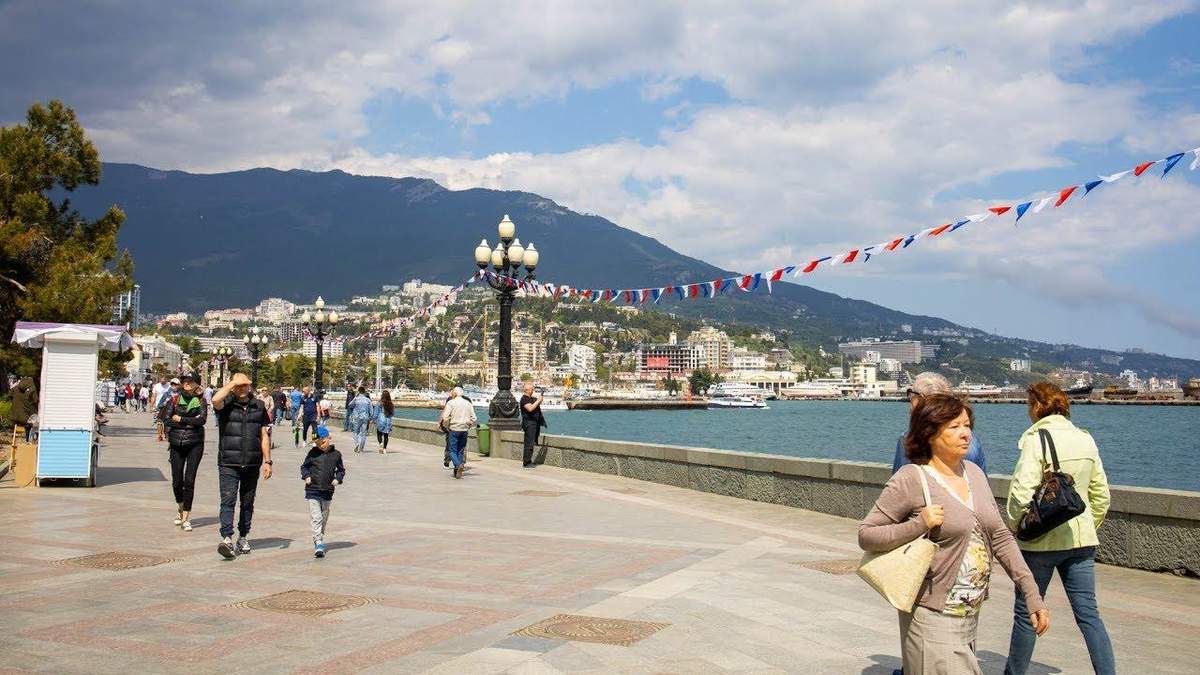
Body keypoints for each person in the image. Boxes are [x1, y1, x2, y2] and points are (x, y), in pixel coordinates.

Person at [859, 394, 1049, 674]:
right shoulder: (911, 478)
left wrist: (1031, 593)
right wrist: (919, 524)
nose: (965, 433)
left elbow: (1000, 536)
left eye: (967, 425)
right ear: (929, 433)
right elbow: (867, 535)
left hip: (969, 613)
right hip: (930, 615)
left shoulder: (974, 474)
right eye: (954, 427)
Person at [1004, 382, 1114, 675]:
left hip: (1040, 543)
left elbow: (1021, 493)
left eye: (1029, 405)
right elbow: (1101, 495)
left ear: (1037, 406)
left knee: (1027, 612)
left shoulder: (1036, 439)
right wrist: (1088, 526)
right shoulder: (1085, 439)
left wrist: (1017, 526)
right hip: (1081, 542)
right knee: (1089, 615)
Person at [212, 372, 273, 560]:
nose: (242, 388)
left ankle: (243, 536)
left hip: (252, 462)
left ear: (249, 386)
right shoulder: (226, 404)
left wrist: (268, 461)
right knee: (228, 500)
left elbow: (264, 435)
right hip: (228, 462)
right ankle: (226, 538)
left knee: (247, 502)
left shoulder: (259, 406)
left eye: (244, 385)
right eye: (238, 385)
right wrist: (231, 384)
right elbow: (215, 400)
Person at [893, 372, 987, 475]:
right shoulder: (972, 442)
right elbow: (981, 480)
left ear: (921, 400)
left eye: (912, 395)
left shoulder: (908, 440)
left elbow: (899, 477)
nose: (910, 403)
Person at [164, 372, 207, 532]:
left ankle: (186, 517)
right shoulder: (174, 399)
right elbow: (167, 420)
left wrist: (181, 419)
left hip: (195, 444)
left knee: (189, 480)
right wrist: (190, 423)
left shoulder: (201, 401)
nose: (187, 383)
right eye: (184, 381)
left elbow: (201, 420)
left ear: (196, 384)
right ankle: (180, 506)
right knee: (177, 481)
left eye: (190, 381)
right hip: (176, 444)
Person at [301, 426, 346, 558]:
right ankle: (318, 542)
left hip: (327, 490)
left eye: (323, 442)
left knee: (324, 515)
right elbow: (304, 467)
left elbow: (341, 470)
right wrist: (306, 476)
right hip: (312, 490)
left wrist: (338, 479)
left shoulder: (336, 455)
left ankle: (320, 535)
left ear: (329, 438)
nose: (321, 445)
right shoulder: (312, 453)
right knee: (317, 517)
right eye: (318, 443)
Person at [439, 386, 476, 479]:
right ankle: (457, 471)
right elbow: (474, 418)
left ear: (454, 393)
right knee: (460, 450)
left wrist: (447, 424)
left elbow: (445, 417)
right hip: (464, 430)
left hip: (454, 429)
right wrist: (468, 424)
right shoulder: (468, 403)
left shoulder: (451, 403)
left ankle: (458, 465)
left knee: (452, 450)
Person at [520, 382, 547, 467]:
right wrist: (538, 400)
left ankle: (528, 461)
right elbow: (530, 408)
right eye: (532, 389)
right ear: (527, 390)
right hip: (529, 423)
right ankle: (527, 462)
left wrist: (540, 397)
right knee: (529, 442)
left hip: (534, 423)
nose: (533, 390)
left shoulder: (532, 399)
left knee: (532, 442)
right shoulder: (524, 399)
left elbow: (538, 402)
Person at [10, 375, 38, 443]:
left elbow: (10, 396)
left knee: (27, 419)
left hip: (15, 416)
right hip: (26, 418)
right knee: (34, 420)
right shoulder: (32, 388)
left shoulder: (15, 388)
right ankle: (30, 440)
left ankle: (27, 440)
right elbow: (36, 401)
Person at [346, 386, 372, 453]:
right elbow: (371, 410)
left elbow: (350, 405)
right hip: (365, 417)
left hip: (357, 417)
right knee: (363, 433)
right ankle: (361, 448)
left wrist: (355, 399)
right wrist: (371, 418)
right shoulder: (368, 400)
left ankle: (357, 443)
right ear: (364, 392)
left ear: (358, 391)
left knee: (355, 432)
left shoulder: (356, 399)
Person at [373, 389, 394, 453]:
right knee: (386, 435)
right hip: (388, 421)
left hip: (381, 420)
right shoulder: (391, 404)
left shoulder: (379, 403)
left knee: (379, 434)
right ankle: (384, 449)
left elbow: (376, 413)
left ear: (382, 395)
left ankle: (380, 443)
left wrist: (374, 419)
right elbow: (392, 414)